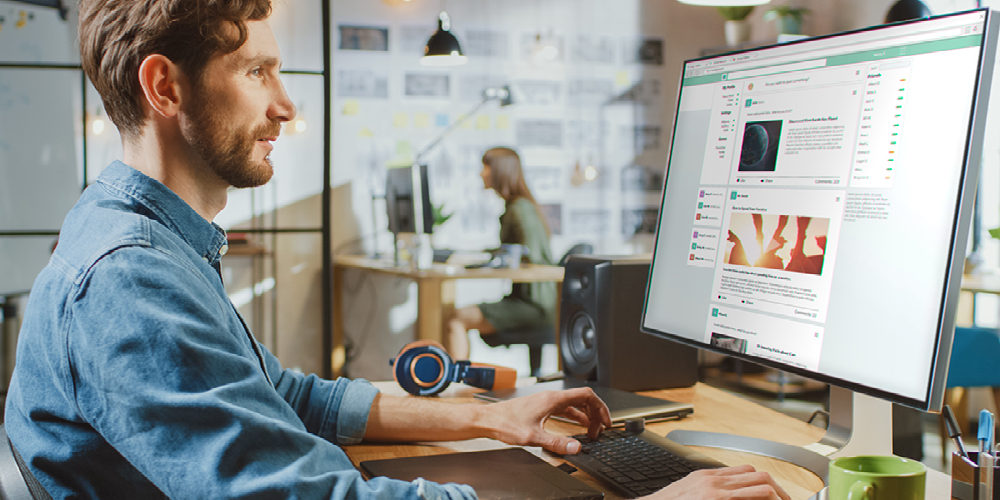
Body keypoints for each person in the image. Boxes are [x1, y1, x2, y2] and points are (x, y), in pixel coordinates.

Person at [2, 1, 790, 499]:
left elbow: (288, 398)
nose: (284, 104)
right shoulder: (129, 279)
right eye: (256, 71)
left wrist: (496, 416)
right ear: (165, 88)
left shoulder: (149, 241)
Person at [446, 147, 558, 360]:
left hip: (536, 305)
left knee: (456, 318)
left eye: (485, 167)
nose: (481, 173)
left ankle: (455, 383)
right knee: (456, 316)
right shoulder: (516, 207)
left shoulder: (520, 209)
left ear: (500, 170)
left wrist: (494, 261)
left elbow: (532, 258)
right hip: (527, 299)